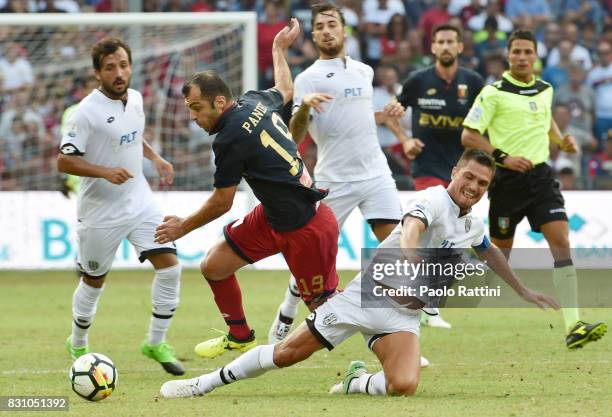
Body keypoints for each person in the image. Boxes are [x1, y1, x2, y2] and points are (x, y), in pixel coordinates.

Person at [159, 149, 560, 399]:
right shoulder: (434, 198)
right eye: (468, 176)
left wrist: (523, 289)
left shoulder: (471, 222)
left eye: (481, 183)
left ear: (487, 188)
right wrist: (411, 255)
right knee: (286, 355)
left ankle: (356, 383)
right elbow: (414, 223)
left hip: (402, 315)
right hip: (364, 298)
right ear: (454, 172)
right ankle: (203, 384)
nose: (472, 186)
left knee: (404, 386)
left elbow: (488, 250)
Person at [154, 18, 340, 360]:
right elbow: (285, 88)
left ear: (220, 101)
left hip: (306, 228)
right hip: (274, 218)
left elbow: (223, 201)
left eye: (197, 108)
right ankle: (239, 335)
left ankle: (386, 341)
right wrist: (277, 49)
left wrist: (183, 226)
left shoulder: (229, 138)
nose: (193, 117)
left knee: (326, 311)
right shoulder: (254, 101)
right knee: (214, 266)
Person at [267, 3, 406, 345]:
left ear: (345, 31)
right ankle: (287, 310)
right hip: (334, 179)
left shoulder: (364, 72)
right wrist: (304, 107)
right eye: (321, 26)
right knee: (311, 256)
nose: (327, 30)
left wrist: (387, 114)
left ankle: (396, 325)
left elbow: (356, 116)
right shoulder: (307, 78)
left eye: (332, 24)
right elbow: (295, 135)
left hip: (375, 174)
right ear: (314, 36)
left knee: (398, 249)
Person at [462, 29, 607, 349]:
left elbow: (547, 121)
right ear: (508, 55)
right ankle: (446, 304)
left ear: (536, 56)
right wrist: (503, 158)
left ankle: (573, 325)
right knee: (499, 258)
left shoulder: (545, 89)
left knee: (561, 240)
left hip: (541, 179)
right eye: (517, 52)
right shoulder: (493, 93)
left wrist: (560, 140)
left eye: (528, 52)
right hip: (506, 183)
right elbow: (469, 135)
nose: (523, 57)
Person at [57, 37, 184, 375]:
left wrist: (156, 158)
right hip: (100, 212)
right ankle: (78, 342)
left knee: (171, 267)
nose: (119, 72)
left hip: (139, 201)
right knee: (94, 281)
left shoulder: (137, 99)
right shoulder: (85, 112)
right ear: (97, 73)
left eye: (123, 65)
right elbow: (64, 162)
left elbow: (132, 134)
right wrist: (104, 171)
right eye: (110, 67)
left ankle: (155, 342)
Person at [397, 23, 484, 328]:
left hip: (463, 174)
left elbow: (486, 121)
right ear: (432, 47)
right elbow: (390, 112)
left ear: (460, 47)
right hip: (427, 168)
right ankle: (426, 305)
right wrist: (404, 138)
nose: (446, 46)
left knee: (453, 241)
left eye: (451, 42)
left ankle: (427, 302)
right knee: (437, 235)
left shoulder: (473, 82)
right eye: (440, 42)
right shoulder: (418, 81)